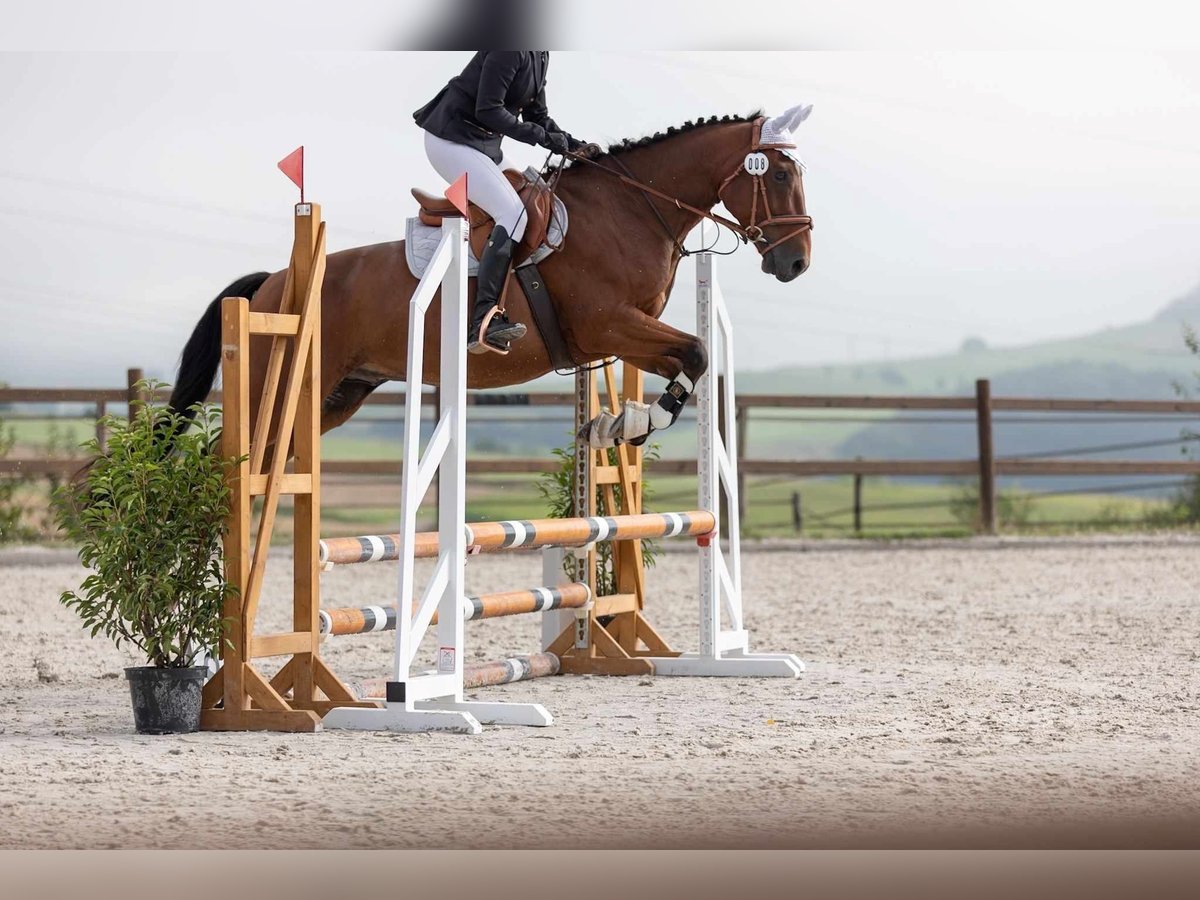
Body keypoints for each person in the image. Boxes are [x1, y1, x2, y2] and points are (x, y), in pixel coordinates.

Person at [414, 51, 588, 353]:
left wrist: (570, 142)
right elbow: (488, 110)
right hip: (451, 139)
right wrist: (541, 137)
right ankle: (483, 319)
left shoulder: (540, 55)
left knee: (529, 195)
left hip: (483, 143)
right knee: (514, 214)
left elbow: (537, 116)